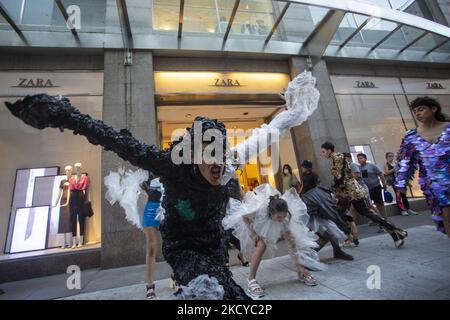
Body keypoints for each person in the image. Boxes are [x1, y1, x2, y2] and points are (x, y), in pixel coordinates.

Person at [5, 70, 320, 299]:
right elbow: (113, 139)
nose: (217, 163)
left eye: (220, 153)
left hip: (214, 245)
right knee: (205, 291)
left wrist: (295, 109)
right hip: (182, 247)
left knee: (231, 295)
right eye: (208, 154)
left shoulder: (231, 161)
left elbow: (271, 129)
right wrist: (64, 116)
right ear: (193, 154)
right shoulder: (170, 166)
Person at [224, 184, 327, 298]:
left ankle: (300, 270)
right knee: (261, 246)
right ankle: (251, 279)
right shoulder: (259, 211)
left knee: (292, 241)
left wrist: (299, 265)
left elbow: (291, 245)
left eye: (284, 216)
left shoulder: (285, 218)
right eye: (279, 217)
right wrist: (253, 234)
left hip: (269, 222)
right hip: (255, 225)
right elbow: (244, 217)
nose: (282, 219)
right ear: (271, 213)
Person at [320, 142, 408, 248]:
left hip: (349, 192)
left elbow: (339, 177)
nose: (322, 154)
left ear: (329, 150)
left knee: (343, 214)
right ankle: (395, 233)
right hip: (349, 191)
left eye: (323, 151)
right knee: (356, 214)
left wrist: (332, 189)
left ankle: (352, 239)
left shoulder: (337, 157)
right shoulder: (337, 157)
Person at [395, 97, 449, 237]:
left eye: (421, 109)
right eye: (414, 111)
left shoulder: (448, 128)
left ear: (433, 109)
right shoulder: (411, 136)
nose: (417, 114)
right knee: (445, 215)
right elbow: (405, 160)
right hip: (434, 186)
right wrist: (401, 183)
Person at [301, 186, 354, 260]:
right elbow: (334, 216)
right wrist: (347, 232)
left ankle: (338, 252)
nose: (335, 206)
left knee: (332, 228)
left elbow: (333, 215)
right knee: (326, 236)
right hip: (305, 216)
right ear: (337, 199)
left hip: (311, 213)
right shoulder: (326, 199)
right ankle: (306, 257)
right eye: (336, 206)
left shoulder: (327, 192)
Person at [357, 154, 389, 227]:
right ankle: (375, 219)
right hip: (366, 189)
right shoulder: (358, 168)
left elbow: (380, 174)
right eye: (358, 159)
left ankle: (385, 220)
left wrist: (384, 184)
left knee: (379, 204)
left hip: (376, 187)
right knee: (369, 205)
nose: (360, 160)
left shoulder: (371, 166)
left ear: (365, 158)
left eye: (361, 158)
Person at [384, 152, 417, 216]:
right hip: (394, 181)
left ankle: (408, 209)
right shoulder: (386, 164)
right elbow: (386, 172)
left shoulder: (396, 163)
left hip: (401, 180)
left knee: (404, 195)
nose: (391, 158)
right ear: (387, 157)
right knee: (398, 195)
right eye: (389, 156)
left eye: (392, 156)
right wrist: (394, 169)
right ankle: (402, 210)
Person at [69, 162, 90, 248]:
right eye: (76, 167)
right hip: (73, 198)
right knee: (73, 220)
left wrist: (89, 201)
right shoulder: (71, 179)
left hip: (81, 197)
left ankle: (80, 241)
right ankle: (74, 242)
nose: (77, 169)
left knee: (81, 219)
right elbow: (70, 190)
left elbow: (86, 189)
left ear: (81, 168)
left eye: (78, 167)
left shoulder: (85, 178)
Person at [52, 165, 73, 249]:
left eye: (68, 170)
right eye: (66, 170)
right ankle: (63, 242)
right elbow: (59, 192)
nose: (67, 172)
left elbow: (71, 192)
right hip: (62, 202)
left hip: (70, 203)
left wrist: (68, 202)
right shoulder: (63, 181)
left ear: (71, 171)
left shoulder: (73, 180)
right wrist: (55, 203)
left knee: (69, 221)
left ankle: (70, 242)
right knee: (62, 221)